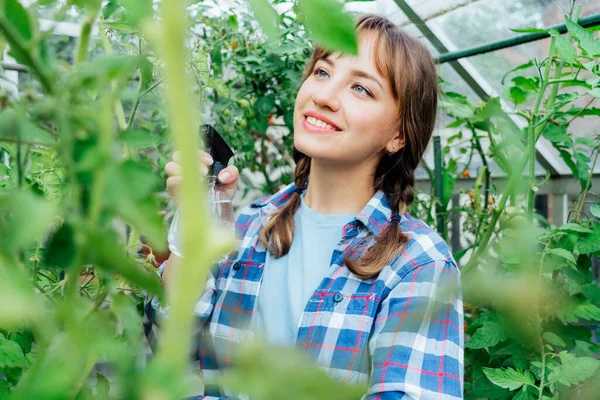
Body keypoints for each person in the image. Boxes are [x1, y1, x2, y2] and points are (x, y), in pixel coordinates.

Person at [145, 13, 464, 400]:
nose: (324, 96)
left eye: (361, 89)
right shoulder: (246, 229)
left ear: (399, 134)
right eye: (322, 72)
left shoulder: (418, 262)